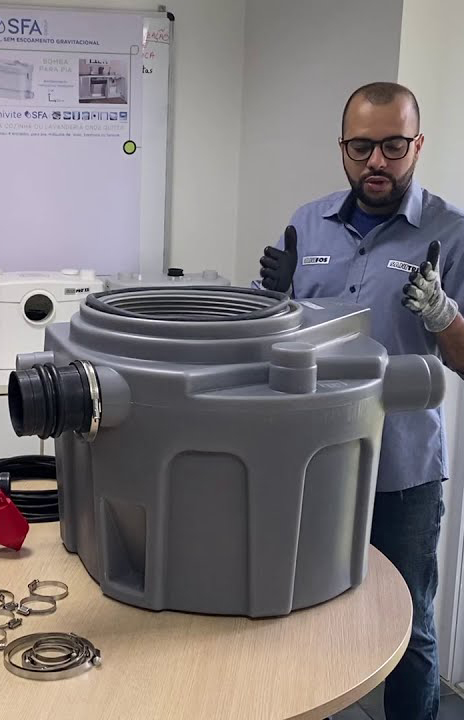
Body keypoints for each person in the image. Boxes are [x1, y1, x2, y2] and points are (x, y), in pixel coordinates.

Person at [259, 82, 464, 720]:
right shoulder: (306, 221)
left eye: (393, 146)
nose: (376, 161)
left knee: (410, 629)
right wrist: (272, 301)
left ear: (417, 145)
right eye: (361, 146)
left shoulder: (452, 232)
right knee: (304, 611)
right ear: (343, 147)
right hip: (311, 462)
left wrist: (443, 315)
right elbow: (274, 342)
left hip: (402, 470)